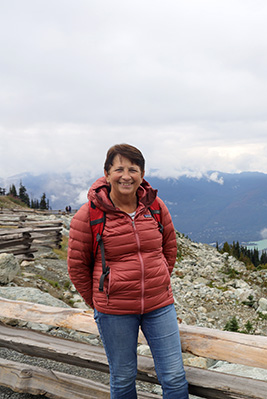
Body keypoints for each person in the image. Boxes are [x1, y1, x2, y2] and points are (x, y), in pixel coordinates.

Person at [67, 144, 188, 398]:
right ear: (106, 173)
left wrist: (160, 279)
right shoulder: (88, 215)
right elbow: (77, 266)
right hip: (115, 311)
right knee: (123, 379)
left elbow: (169, 247)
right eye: (119, 169)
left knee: (175, 378)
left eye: (133, 169)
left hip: (159, 305)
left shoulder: (155, 207)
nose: (126, 175)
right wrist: (101, 300)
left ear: (141, 175)